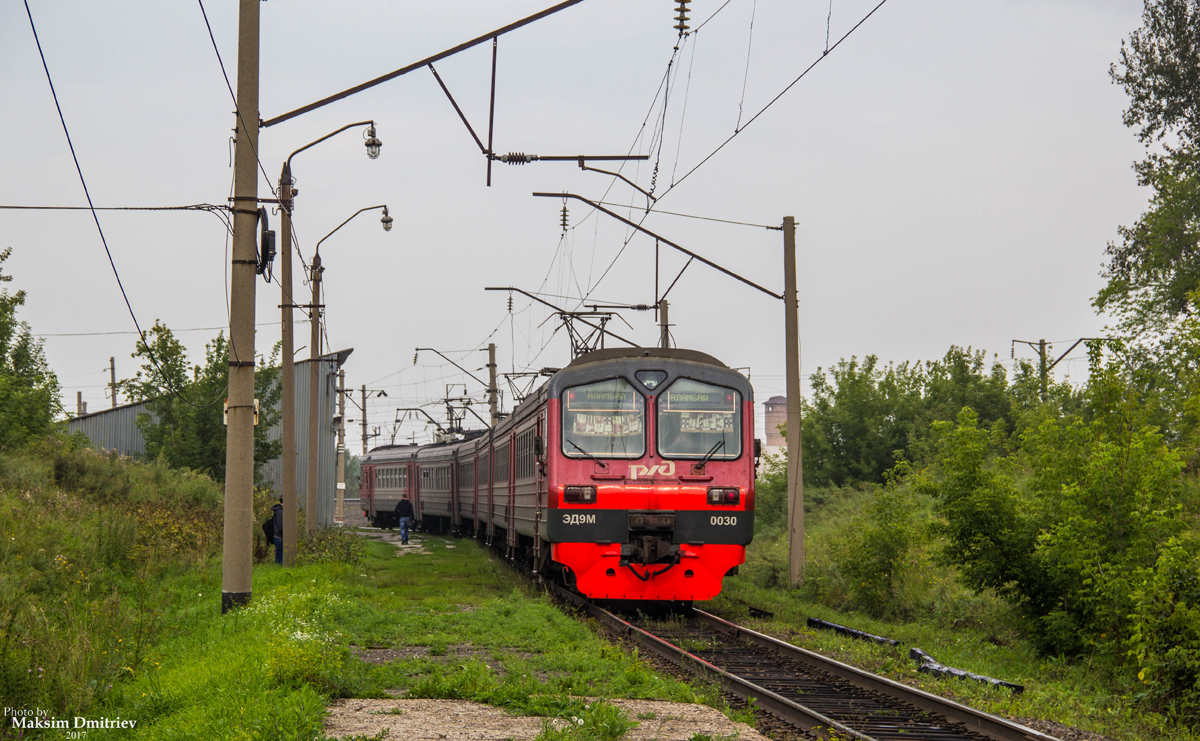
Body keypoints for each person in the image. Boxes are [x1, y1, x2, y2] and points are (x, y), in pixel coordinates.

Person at [271, 497, 284, 565]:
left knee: (280, 557)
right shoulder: (280, 511)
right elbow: (280, 525)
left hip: (278, 536)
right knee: (279, 560)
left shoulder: (278, 510)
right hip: (279, 537)